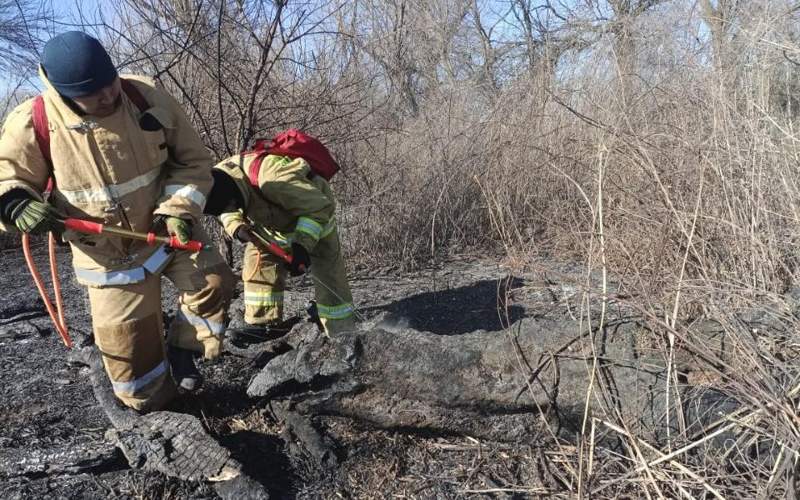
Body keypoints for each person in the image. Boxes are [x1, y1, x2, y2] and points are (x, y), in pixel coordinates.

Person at [0, 31, 235, 411]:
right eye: (92, 93)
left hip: (166, 232)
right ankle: (165, 412)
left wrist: (177, 210)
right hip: (107, 257)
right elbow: (8, 178)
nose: (108, 96)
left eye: (110, 83)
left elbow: (193, 162)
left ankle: (184, 349)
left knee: (214, 283)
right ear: (62, 92)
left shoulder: (146, 96)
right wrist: (14, 205)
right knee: (133, 370)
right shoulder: (32, 122)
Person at [203, 150, 355, 339]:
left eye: (232, 205)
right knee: (258, 264)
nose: (231, 208)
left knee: (329, 276)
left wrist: (302, 246)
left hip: (315, 220)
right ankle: (264, 325)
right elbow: (225, 208)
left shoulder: (274, 178)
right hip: (270, 224)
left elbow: (319, 209)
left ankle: (341, 330)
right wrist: (236, 226)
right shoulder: (215, 178)